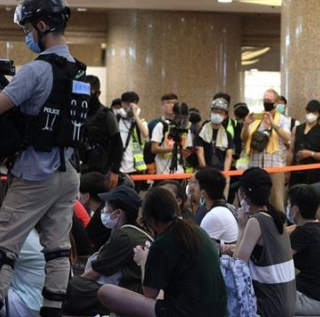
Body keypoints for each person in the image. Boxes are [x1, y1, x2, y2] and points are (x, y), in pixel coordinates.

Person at [0, 0, 89, 317]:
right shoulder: (78, 70)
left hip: (35, 172)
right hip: (68, 174)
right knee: (58, 252)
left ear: (42, 25)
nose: (27, 36)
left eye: (27, 29)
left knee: (4, 252)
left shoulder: (36, 70)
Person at [97, 187, 227, 317]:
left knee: (105, 292)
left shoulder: (162, 243)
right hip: (219, 311)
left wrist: (143, 261)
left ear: (150, 219)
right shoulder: (197, 231)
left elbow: (149, 293)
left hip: (184, 312)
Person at [65, 185, 152, 316]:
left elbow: (95, 272)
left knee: (74, 286)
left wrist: (73, 287)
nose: (103, 210)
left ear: (118, 213)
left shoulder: (123, 236)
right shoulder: (140, 233)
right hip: (139, 293)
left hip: (130, 294)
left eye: (106, 206)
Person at [228, 167, 295, 317]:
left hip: (270, 307)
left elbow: (237, 268)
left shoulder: (256, 222)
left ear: (244, 195)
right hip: (286, 304)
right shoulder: (276, 216)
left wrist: (241, 229)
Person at [287, 185, 320, 316]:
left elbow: (278, 259)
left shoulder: (303, 232)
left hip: (311, 302)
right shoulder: (316, 229)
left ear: (294, 209)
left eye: (288, 204)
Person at [241, 89, 292, 211]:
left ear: (276, 102)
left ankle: (279, 229)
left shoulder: (283, 120)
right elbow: (244, 139)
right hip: (255, 166)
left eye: (269, 100)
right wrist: (246, 124)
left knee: (276, 203)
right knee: (254, 201)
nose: (266, 102)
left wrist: (273, 124)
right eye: (264, 100)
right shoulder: (257, 118)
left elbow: (287, 137)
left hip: (274, 167)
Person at [80, 75, 123, 189]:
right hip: (84, 168)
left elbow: (118, 144)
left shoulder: (107, 114)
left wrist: (115, 171)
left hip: (104, 171)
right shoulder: (79, 114)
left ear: (98, 93)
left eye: (89, 92)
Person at [289, 99, 320, 187]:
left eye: (314, 112)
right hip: (296, 172)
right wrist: (287, 170)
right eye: (308, 111)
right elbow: (291, 151)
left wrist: (311, 154)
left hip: (313, 174)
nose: (310, 114)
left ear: (319, 114)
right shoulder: (296, 129)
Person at [196, 168, 239, 245]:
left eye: (194, 184)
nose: (191, 188)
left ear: (203, 193)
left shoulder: (214, 215)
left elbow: (200, 250)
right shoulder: (220, 210)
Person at [195, 98, 235, 177]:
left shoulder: (227, 135)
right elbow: (200, 152)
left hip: (222, 173)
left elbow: (228, 156)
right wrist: (205, 171)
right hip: (205, 172)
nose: (217, 114)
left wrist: (225, 174)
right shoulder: (202, 132)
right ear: (211, 112)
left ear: (225, 116)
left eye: (220, 113)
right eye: (215, 111)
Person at [116, 91, 150, 186]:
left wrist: (135, 115)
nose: (130, 106)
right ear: (122, 103)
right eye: (127, 103)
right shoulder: (117, 120)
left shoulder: (141, 122)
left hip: (135, 169)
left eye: (133, 103)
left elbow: (145, 134)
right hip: (119, 168)